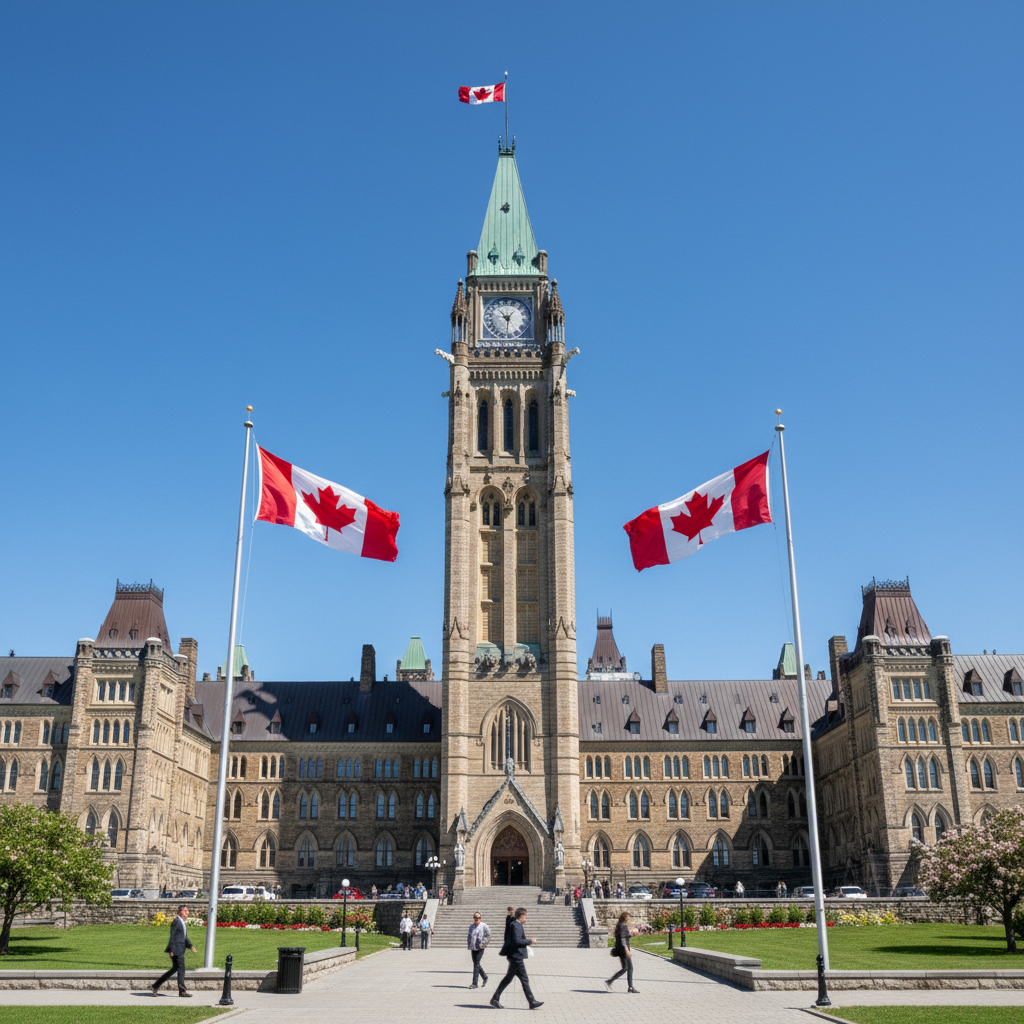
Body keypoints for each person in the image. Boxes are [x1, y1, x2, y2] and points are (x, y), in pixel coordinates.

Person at [491, 907, 542, 1010]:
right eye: (526, 916)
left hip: (513, 956)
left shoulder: (514, 924)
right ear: (522, 916)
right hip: (516, 957)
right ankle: (532, 1002)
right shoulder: (517, 926)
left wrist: (510, 915)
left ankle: (495, 999)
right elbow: (517, 941)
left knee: (508, 979)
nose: (526, 918)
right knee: (524, 979)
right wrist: (530, 941)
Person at [152, 905, 197, 998]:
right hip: (176, 950)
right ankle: (182, 991)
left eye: (187, 910)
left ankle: (156, 985)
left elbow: (184, 937)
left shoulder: (182, 922)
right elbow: (172, 937)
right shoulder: (176, 922)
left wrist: (191, 946)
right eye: (185, 910)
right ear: (179, 912)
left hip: (180, 949)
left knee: (174, 969)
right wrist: (172, 950)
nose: (187, 912)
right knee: (181, 968)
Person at [605, 910, 638, 993]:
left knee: (627, 968)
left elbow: (623, 936)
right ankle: (611, 981)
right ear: (625, 918)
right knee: (627, 968)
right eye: (628, 918)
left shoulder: (620, 925)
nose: (629, 919)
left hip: (621, 948)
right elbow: (623, 939)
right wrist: (627, 950)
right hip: (623, 949)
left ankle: (629, 987)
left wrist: (630, 934)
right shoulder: (622, 926)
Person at [467, 911, 491, 988]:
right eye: (476, 918)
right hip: (473, 947)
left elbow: (488, 935)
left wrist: (483, 943)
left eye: (479, 918)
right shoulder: (471, 926)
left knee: (476, 963)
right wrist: (469, 945)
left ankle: (475, 983)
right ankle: (485, 977)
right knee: (476, 963)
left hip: (480, 947)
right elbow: (469, 936)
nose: (477, 919)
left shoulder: (484, 926)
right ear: (474, 918)